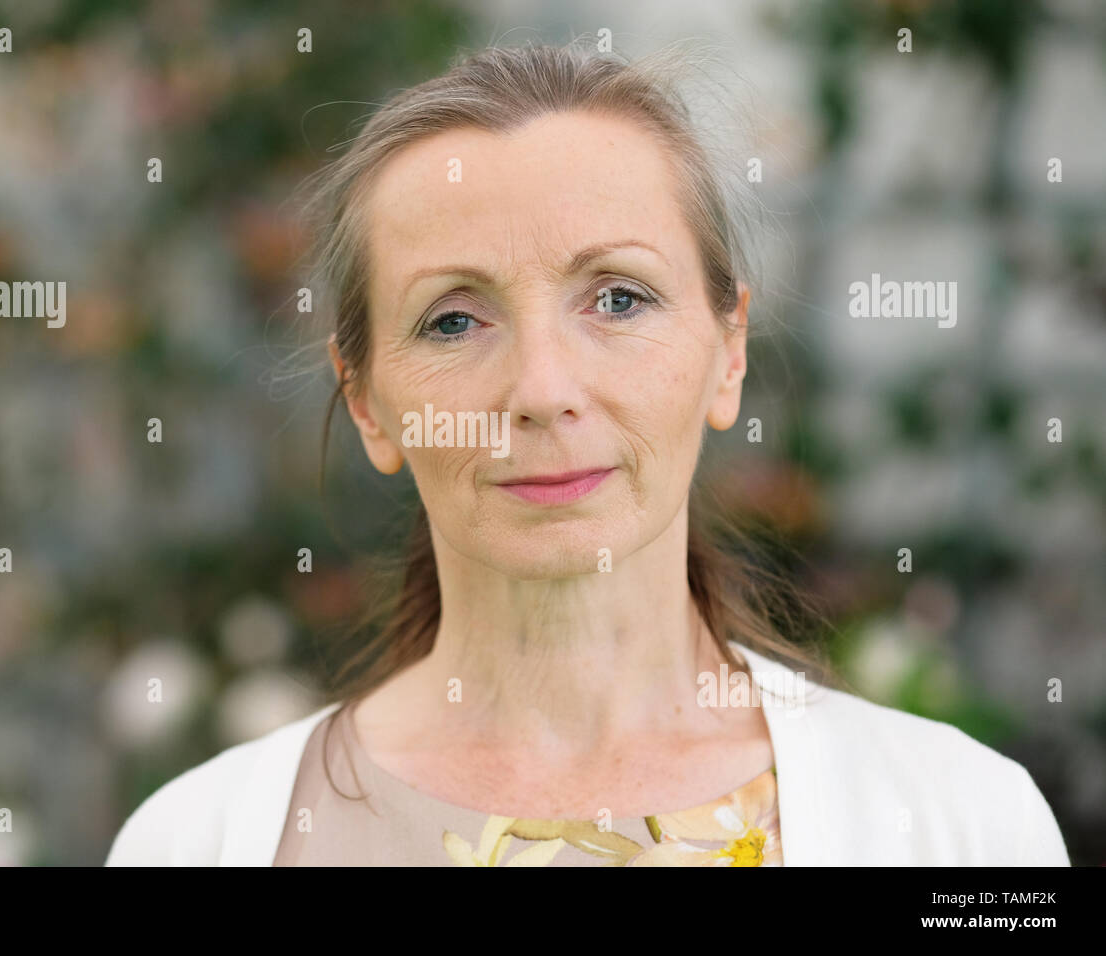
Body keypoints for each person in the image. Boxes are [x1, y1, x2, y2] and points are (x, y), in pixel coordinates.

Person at [106, 40, 1070, 866]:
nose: (542, 391)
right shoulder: (197, 842)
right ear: (366, 403)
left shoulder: (965, 826)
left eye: (618, 298)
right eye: (452, 320)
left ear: (727, 352)